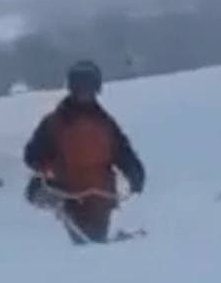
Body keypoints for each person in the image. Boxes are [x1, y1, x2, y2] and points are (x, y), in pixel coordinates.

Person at [23, 60, 145, 244]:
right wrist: (45, 177)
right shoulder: (55, 123)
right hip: (68, 195)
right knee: (82, 245)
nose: (84, 93)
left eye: (89, 88)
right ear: (72, 88)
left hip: (101, 196)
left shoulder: (105, 123)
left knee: (95, 244)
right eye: (80, 88)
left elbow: (121, 151)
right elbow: (32, 155)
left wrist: (134, 172)